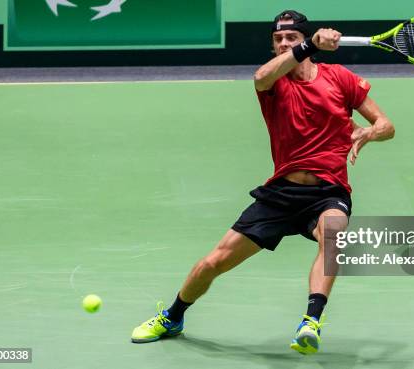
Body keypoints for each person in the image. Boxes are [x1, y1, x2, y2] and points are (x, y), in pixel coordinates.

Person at [131, 9, 395, 355]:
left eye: (291, 37)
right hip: (281, 193)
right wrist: (309, 47)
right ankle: (173, 316)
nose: (283, 44)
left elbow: (387, 125)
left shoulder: (340, 78)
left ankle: (310, 321)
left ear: (302, 37)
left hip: (328, 191)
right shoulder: (273, 82)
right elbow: (260, 76)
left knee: (334, 237)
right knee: (214, 262)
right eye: (278, 40)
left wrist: (369, 133)